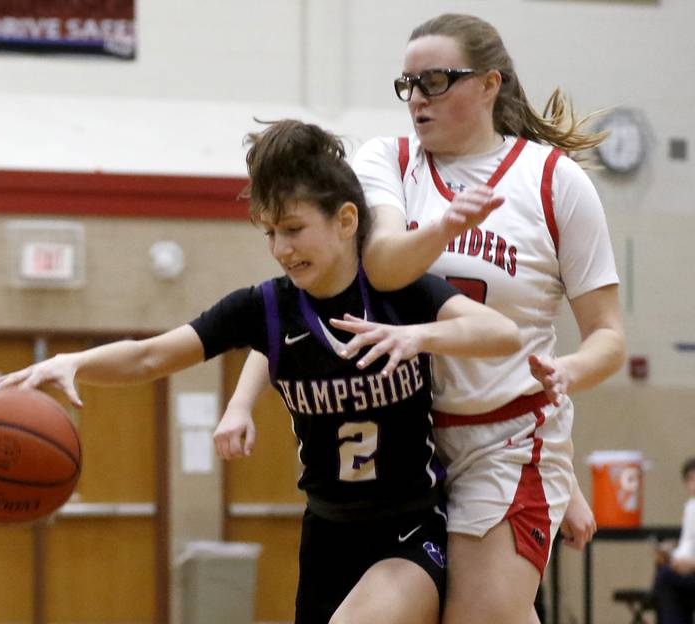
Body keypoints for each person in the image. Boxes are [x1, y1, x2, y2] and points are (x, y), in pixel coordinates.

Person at [0, 120, 521, 624]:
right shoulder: (263, 309)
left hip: (409, 525)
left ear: (346, 221)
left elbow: (502, 335)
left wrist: (417, 336)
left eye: (293, 229)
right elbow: (152, 356)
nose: (281, 249)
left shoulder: (399, 291)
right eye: (269, 234)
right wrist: (71, 361)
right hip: (327, 532)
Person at [220, 13, 621, 624]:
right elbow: (378, 268)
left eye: (435, 80)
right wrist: (445, 226)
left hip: (507, 438)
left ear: (490, 85)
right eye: (407, 85)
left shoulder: (552, 182)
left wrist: (566, 373)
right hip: (411, 444)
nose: (417, 99)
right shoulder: (390, 160)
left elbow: (610, 337)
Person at [652, 457, 695, 624]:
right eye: (690, 480)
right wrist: (673, 555)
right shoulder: (691, 507)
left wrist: (690, 564)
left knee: (665, 579)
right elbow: (688, 544)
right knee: (665, 573)